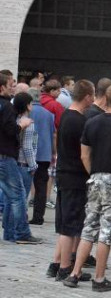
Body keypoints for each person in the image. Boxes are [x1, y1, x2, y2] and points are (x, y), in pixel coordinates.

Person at [63, 84, 111, 291]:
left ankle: (74, 273)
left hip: (95, 178)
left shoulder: (91, 122)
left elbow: (84, 155)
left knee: (89, 227)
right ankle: (99, 278)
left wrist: (94, 173)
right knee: (107, 230)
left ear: (105, 99)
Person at [46, 80, 95, 282]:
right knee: (70, 224)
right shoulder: (80, 121)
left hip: (65, 173)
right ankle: (65, 268)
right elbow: (85, 153)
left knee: (68, 222)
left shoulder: (66, 115)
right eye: (92, 95)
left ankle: (58, 263)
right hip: (75, 176)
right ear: (87, 97)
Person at [0, 73, 40, 244]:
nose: (13, 87)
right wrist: (21, 126)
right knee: (18, 196)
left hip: (7, 157)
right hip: (7, 156)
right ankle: (21, 233)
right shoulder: (7, 108)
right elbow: (11, 131)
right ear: (2, 87)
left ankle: (10, 232)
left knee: (11, 196)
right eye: (10, 85)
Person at [28, 88, 55, 225]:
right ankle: (39, 216)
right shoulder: (49, 115)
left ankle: (21, 214)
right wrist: (53, 152)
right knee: (41, 186)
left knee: (23, 185)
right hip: (44, 153)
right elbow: (52, 134)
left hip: (27, 154)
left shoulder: (27, 112)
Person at [14, 92, 37, 200]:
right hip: (24, 165)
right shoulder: (28, 123)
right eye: (31, 103)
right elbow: (27, 147)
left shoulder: (14, 120)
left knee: (11, 199)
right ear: (27, 106)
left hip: (13, 162)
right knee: (21, 199)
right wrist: (33, 166)